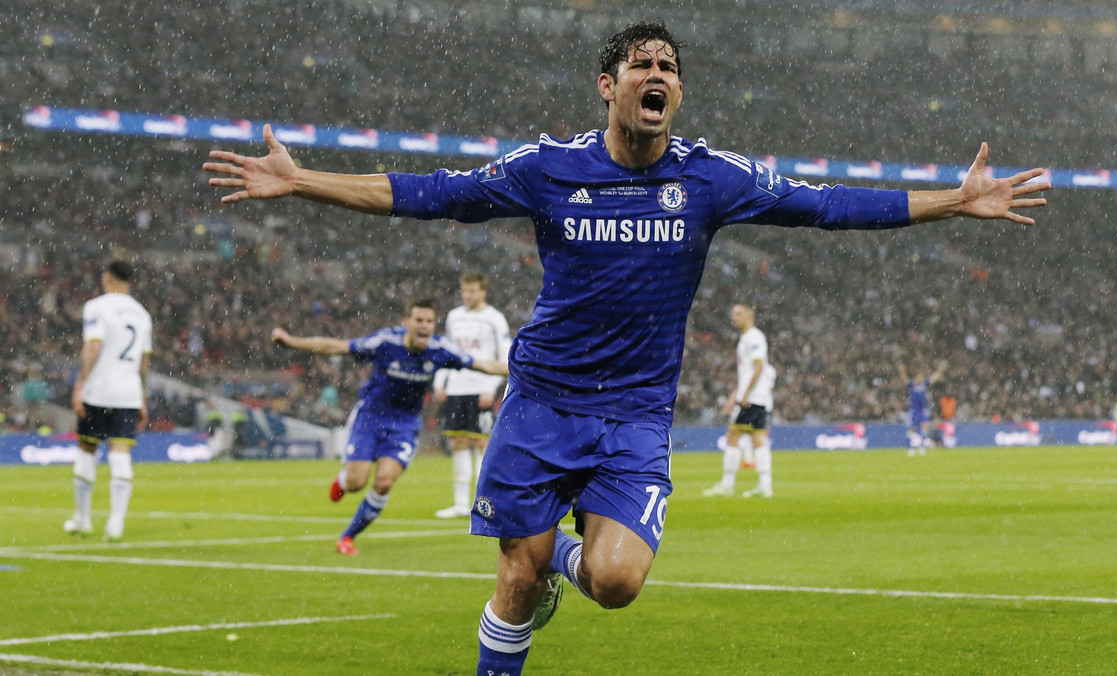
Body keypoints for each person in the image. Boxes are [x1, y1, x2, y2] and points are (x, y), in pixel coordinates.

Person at [204, 19, 1047, 674]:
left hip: (636, 415)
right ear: (608, 86)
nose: (658, 76)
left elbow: (826, 207)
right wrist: (302, 179)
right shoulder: (546, 167)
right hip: (539, 404)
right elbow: (432, 194)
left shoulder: (711, 177)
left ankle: (565, 546)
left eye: (670, 68)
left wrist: (949, 202)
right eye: (642, 64)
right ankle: (534, 574)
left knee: (613, 583)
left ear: (678, 95)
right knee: (515, 583)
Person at [270, 299, 508, 555]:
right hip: (370, 417)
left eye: (429, 321)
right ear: (406, 322)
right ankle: (343, 481)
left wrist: (524, 370)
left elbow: (484, 365)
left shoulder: (440, 349)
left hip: (405, 424)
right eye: (418, 320)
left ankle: (347, 537)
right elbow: (337, 346)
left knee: (384, 482)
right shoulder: (386, 342)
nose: (424, 326)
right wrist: (293, 341)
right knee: (356, 481)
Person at [64, 260, 153, 542]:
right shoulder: (143, 314)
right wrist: (142, 396)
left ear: (107, 278)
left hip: (99, 389)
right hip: (128, 392)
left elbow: (93, 346)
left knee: (87, 448)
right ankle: (115, 524)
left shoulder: (96, 307)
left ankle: (83, 518)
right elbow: (144, 362)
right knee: (120, 454)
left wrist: (80, 383)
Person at [432, 273, 511, 519]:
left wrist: (491, 386)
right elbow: (448, 351)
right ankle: (459, 504)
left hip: (480, 389)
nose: (468, 296)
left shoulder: (494, 319)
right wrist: (440, 381)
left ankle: (483, 502)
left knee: (482, 445)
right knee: (458, 444)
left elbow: (504, 357)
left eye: (473, 291)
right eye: (465, 291)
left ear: (483, 292)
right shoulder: (454, 317)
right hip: (457, 388)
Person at [705, 303, 775, 498]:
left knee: (733, 435)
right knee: (758, 438)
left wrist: (745, 395)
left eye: (738, 313)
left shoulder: (753, 337)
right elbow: (748, 372)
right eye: (733, 313)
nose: (734, 317)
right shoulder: (748, 337)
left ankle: (727, 485)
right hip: (757, 396)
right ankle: (765, 486)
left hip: (752, 397)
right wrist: (735, 395)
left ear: (750, 315)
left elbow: (759, 366)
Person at [899, 361, 947, 455]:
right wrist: (902, 371)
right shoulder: (911, 385)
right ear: (916, 377)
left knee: (925, 428)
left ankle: (922, 447)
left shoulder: (924, 384)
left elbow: (933, 378)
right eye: (920, 377)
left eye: (922, 377)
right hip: (913, 411)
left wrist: (940, 371)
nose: (921, 378)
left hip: (922, 410)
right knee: (911, 430)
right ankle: (910, 448)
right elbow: (904, 379)